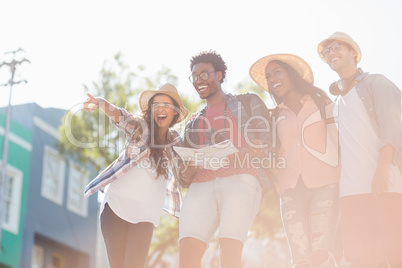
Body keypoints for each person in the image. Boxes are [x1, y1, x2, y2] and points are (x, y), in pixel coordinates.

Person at [178, 50, 272, 268]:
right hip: (201, 185)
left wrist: (247, 149)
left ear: (219, 75)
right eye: (194, 76)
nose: (198, 81)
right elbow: (184, 176)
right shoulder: (192, 125)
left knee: (229, 254)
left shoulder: (248, 102)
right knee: (187, 254)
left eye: (204, 74)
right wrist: (187, 171)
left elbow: (269, 141)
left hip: (241, 179)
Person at [317, 32, 402, 267]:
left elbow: (393, 128)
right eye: (326, 52)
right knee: (361, 259)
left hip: (385, 183)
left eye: (336, 48)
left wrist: (382, 169)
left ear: (353, 52)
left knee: (394, 255)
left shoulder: (377, 82)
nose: (331, 54)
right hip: (351, 191)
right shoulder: (335, 103)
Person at [249, 53, 341, 268]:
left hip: (326, 184)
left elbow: (338, 139)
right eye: (269, 76)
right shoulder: (273, 117)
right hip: (290, 190)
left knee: (321, 255)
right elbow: (273, 156)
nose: (272, 79)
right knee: (300, 260)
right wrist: (261, 156)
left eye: (277, 72)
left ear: (291, 74)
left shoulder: (320, 102)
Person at [82, 83, 188, 268]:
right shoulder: (141, 127)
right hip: (116, 207)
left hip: (145, 217)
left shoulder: (175, 142)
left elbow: (191, 162)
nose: (161, 109)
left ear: (174, 112)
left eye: (166, 105)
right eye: (157, 104)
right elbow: (120, 116)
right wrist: (101, 103)